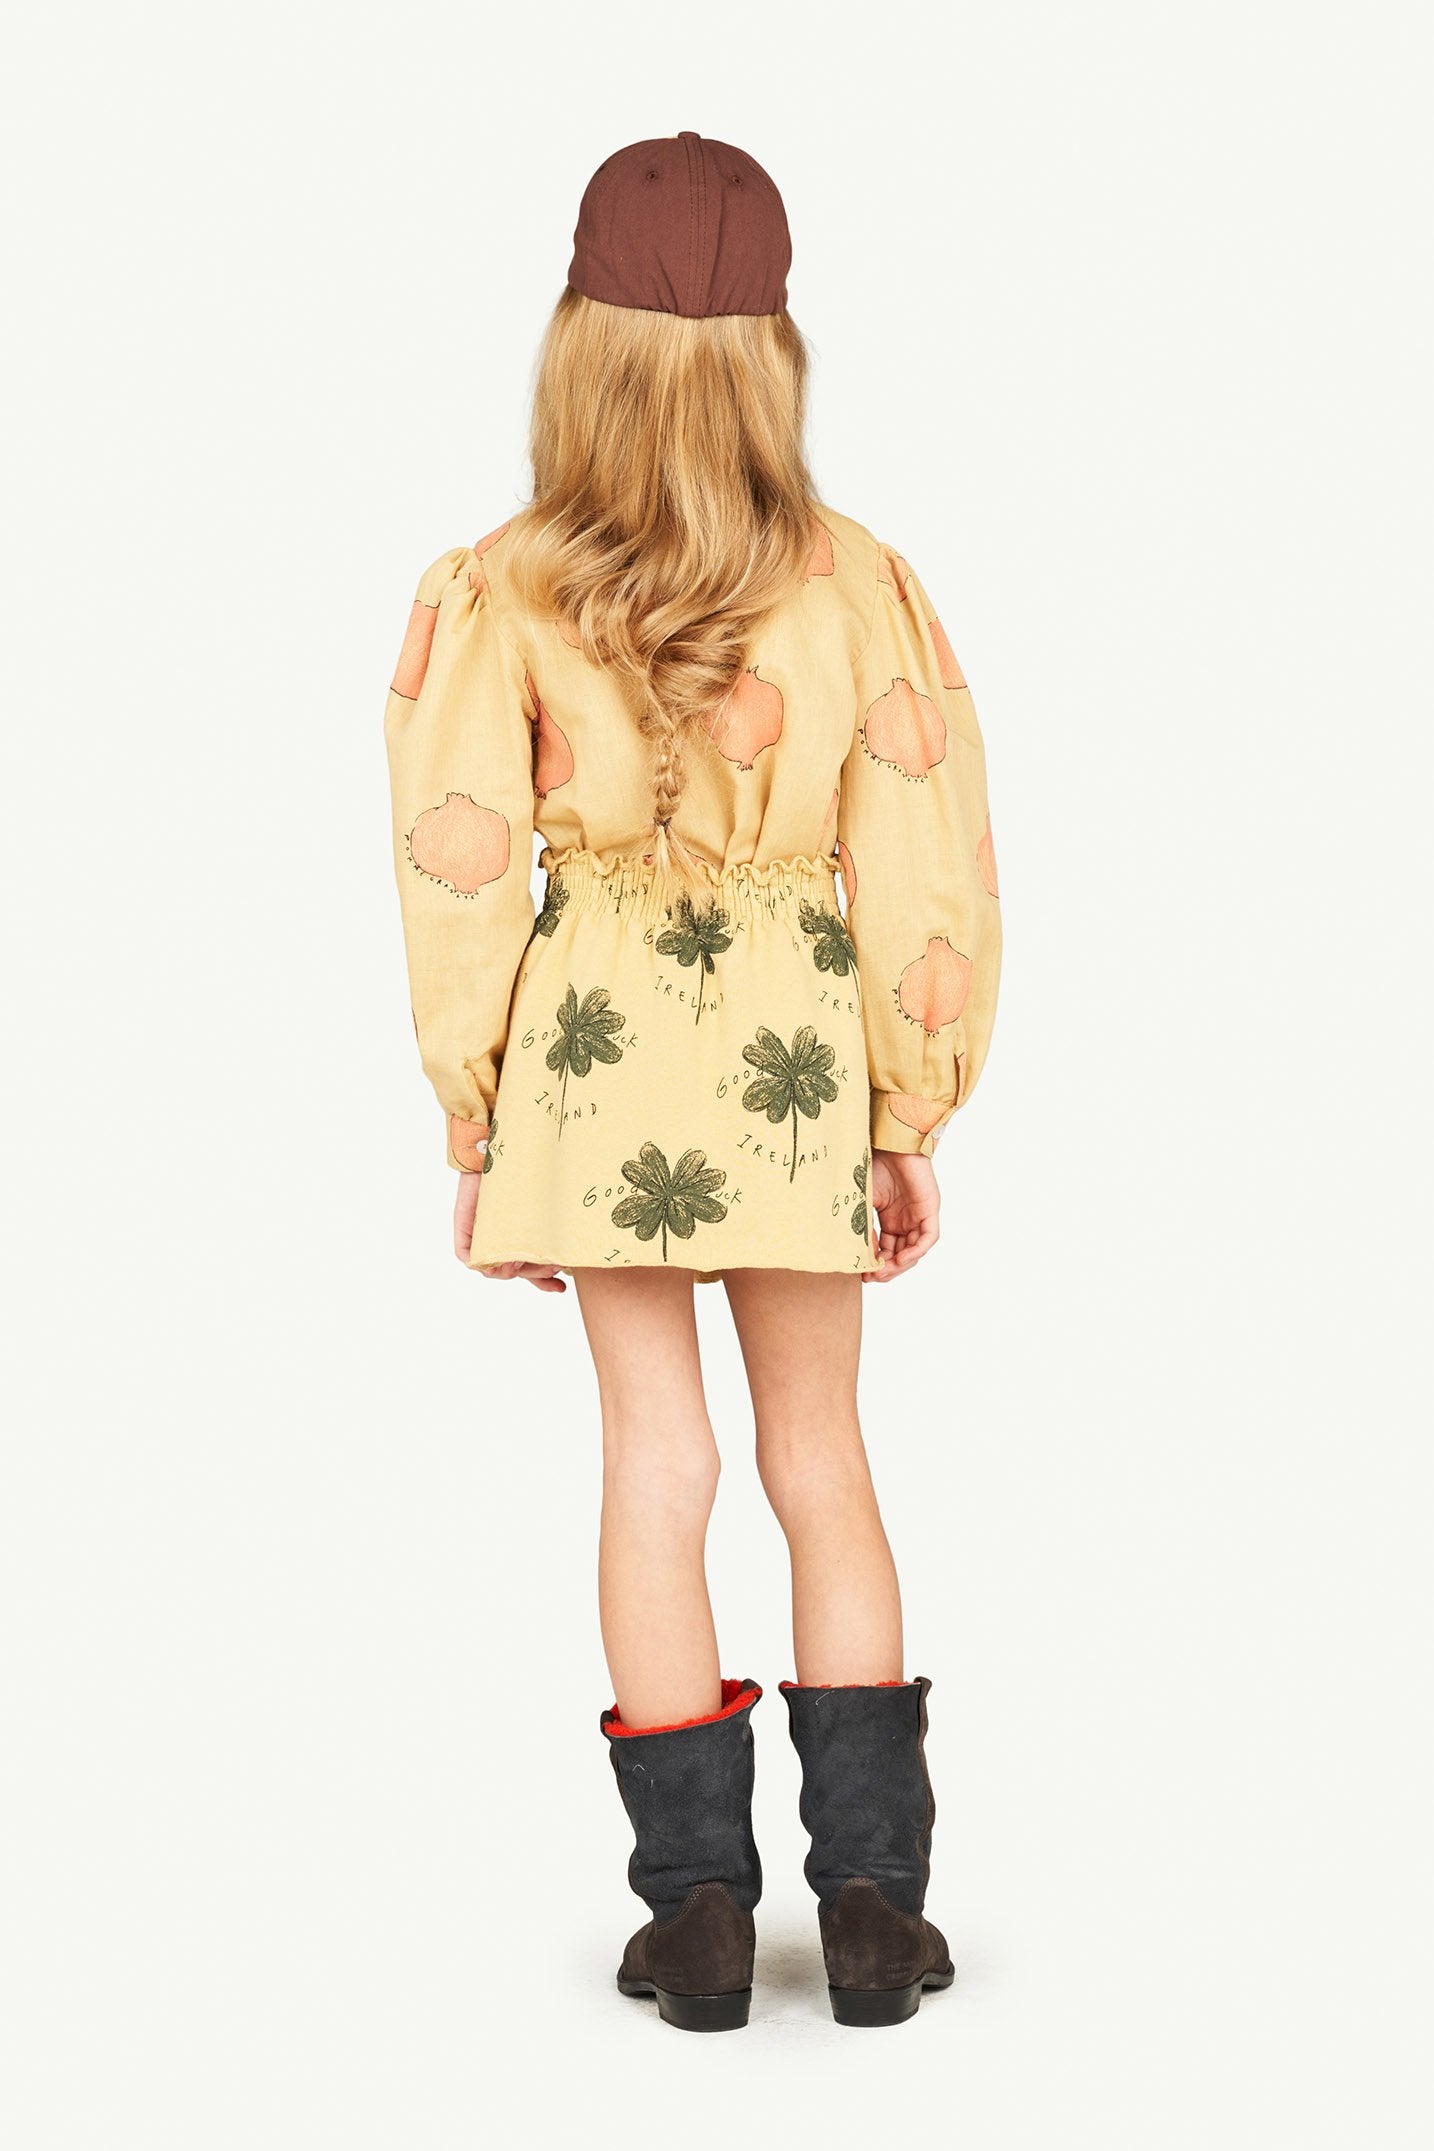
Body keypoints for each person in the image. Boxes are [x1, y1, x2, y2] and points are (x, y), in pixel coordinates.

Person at [383, 130, 1003, 2032]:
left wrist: (481, 1115)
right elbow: (922, 857)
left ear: (578, 341)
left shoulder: (500, 588)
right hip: (798, 1059)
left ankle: (702, 1920)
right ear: (773, 348)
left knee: (656, 1463)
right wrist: (905, 1106)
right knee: (823, 1457)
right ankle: (875, 1912)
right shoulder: (855, 582)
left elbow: (456, 864)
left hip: (593, 1069)